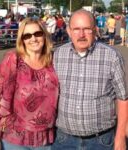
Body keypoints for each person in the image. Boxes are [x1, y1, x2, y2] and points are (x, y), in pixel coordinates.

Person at [51, 9, 128, 150]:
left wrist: (121, 136)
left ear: (95, 30)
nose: (81, 35)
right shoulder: (58, 55)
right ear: (68, 31)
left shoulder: (112, 56)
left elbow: (123, 98)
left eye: (87, 29)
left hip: (101, 141)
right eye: (76, 29)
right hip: (64, 140)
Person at [0, 17, 59, 150]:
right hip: (14, 137)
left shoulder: (53, 60)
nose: (33, 39)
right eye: (27, 36)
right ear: (22, 40)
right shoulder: (13, 59)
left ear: (44, 35)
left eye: (37, 34)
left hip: (45, 138)